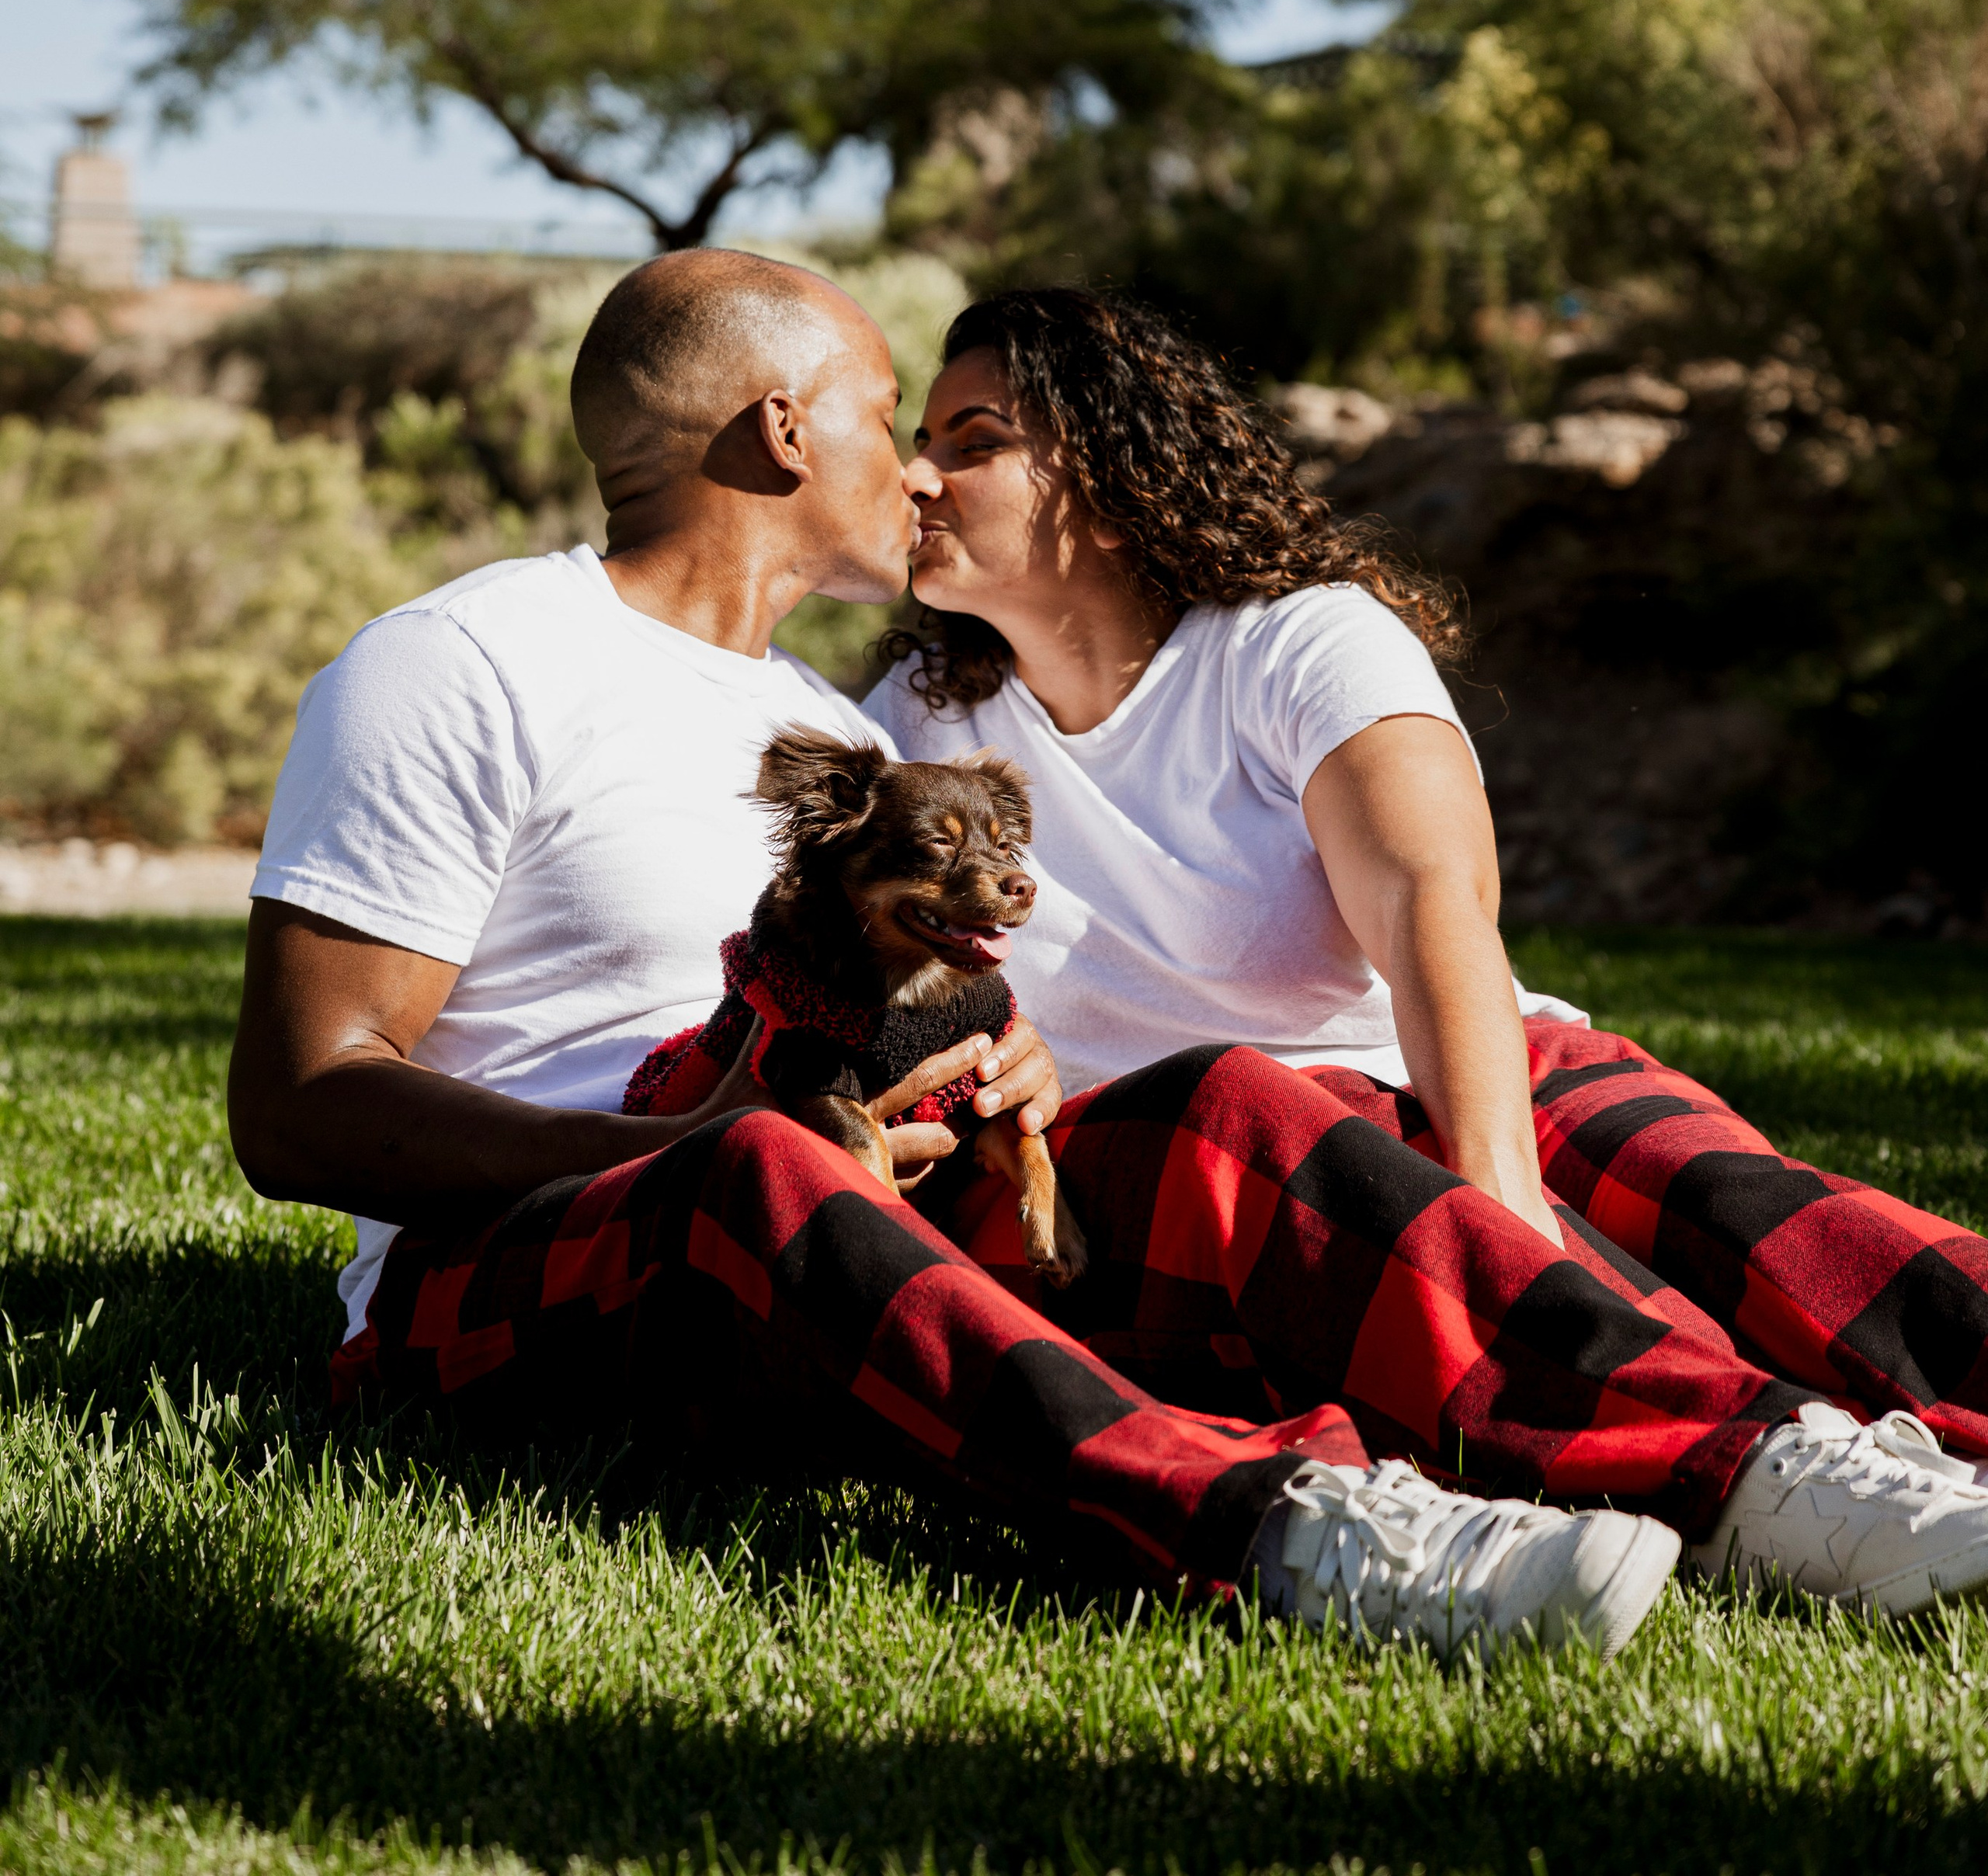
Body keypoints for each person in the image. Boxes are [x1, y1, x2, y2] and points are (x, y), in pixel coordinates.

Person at [226, 250, 1682, 1667]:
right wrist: (661, 1143)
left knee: (1211, 1107)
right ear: (784, 429)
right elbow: (301, 1104)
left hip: (833, 1214)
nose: (917, 474)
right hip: (530, 1270)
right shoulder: (467, 660)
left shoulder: (855, 738)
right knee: (763, 1172)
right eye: (886, 420)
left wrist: (1006, 1056)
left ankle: (1677, 1440)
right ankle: (1286, 1526)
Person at [865, 283, 1988, 1619]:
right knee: (1448, 1225)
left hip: (1460, 1043)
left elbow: (1430, 907)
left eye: (972, 439)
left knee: (1731, 1203)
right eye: (917, 439)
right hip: (1245, 1147)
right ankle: (1801, 1477)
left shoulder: (1294, 640)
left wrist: (1504, 1200)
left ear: (1108, 484)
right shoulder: (916, 728)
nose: (916, 475)